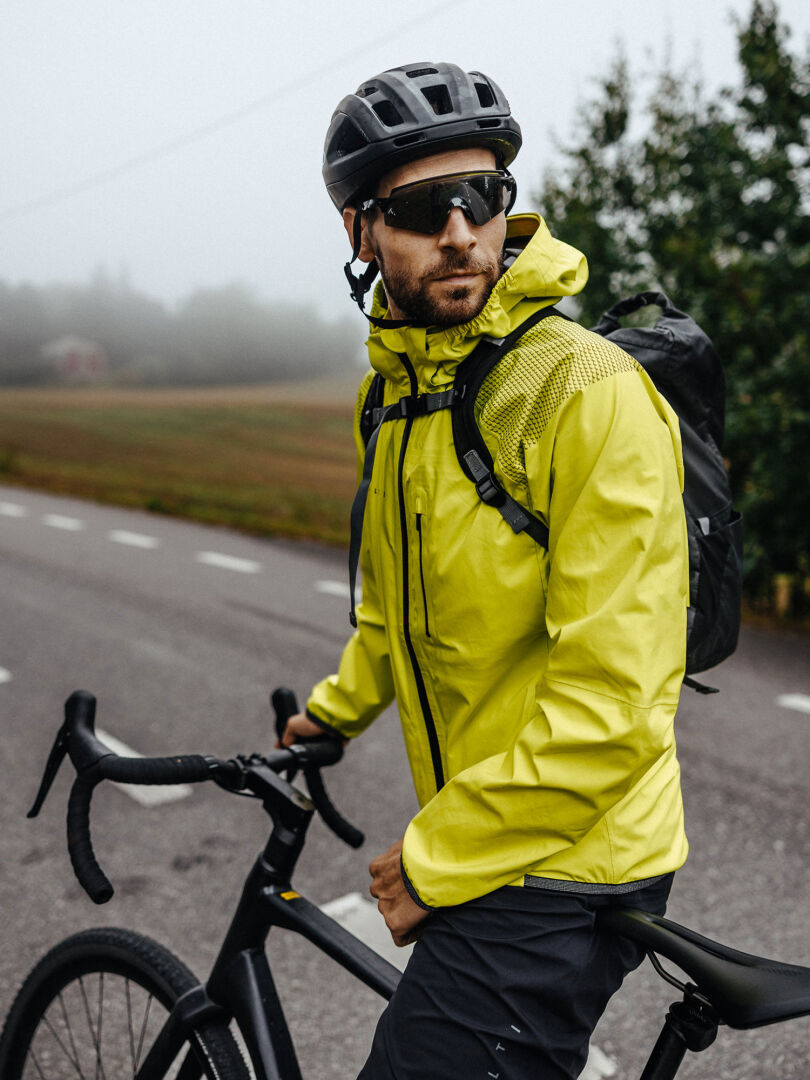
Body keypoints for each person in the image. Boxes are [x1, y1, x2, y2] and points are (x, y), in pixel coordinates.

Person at [280, 62, 689, 1079]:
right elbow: (394, 614)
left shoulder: (588, 394)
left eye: (484, 197)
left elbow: (616, 703)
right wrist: (332, 712)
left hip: (573, 855)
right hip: (503, 835)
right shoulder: (401, 399)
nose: (461, 231)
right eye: (424, 207)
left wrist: (437, 853)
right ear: (360, 231)